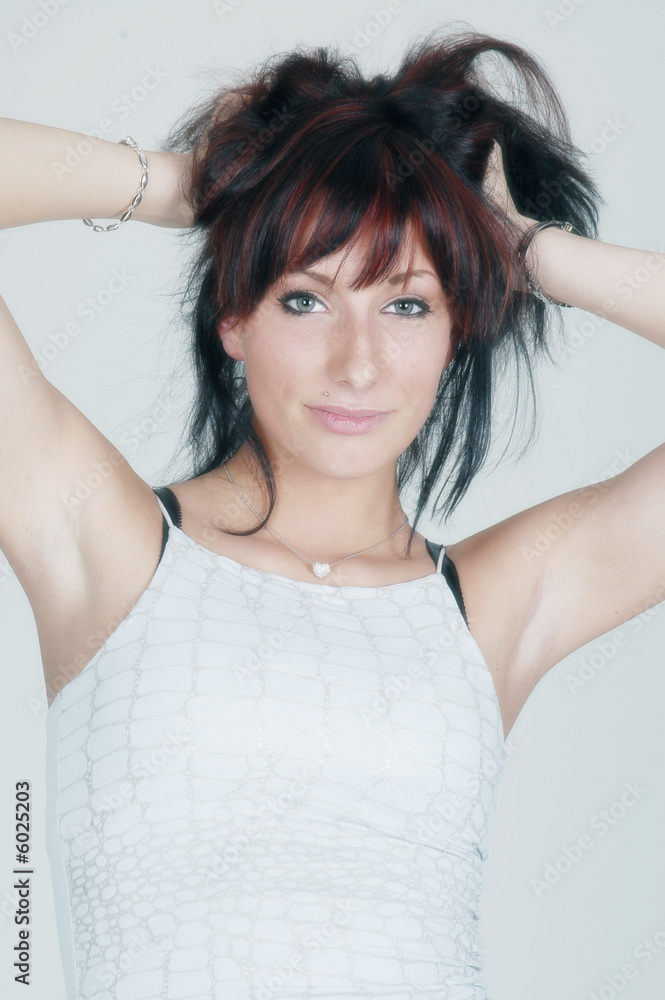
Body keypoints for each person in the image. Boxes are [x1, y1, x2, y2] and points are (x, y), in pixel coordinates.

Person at [1, 24, 663, 1000]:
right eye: (305, 300)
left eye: (406, 306)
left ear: (455, 331)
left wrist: (525, 250)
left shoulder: (492, 605)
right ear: (234, 314)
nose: (358, 364)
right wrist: (199, 190)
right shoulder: (106, 544)